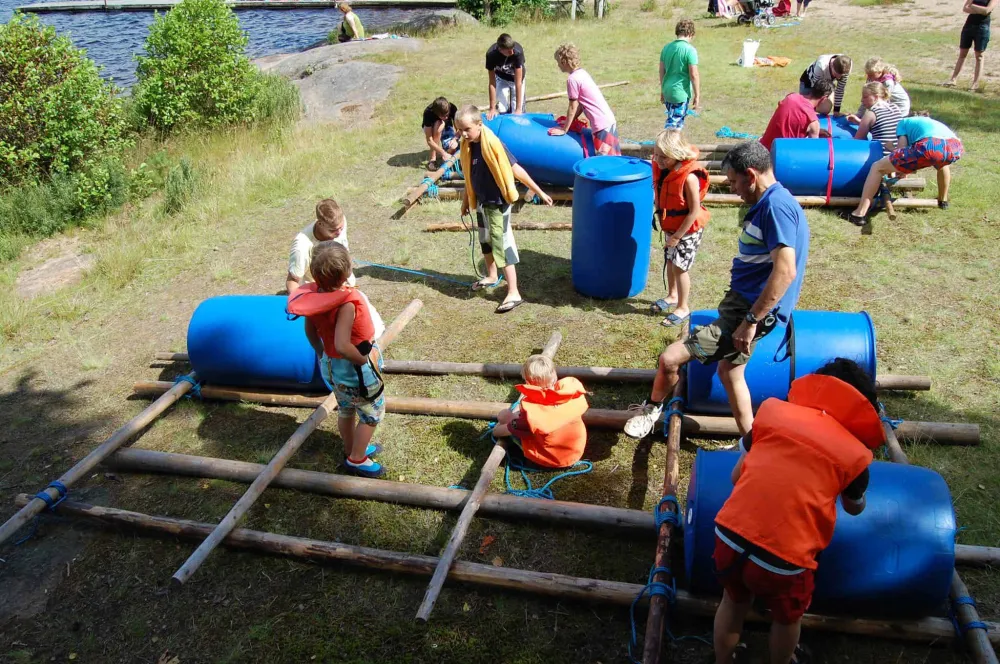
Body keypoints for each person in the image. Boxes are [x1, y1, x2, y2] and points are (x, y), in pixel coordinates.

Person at [624, 141, 809, 439]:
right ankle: (751, 441)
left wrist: (750, 322)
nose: (734, 189)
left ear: (751, 175)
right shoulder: (778, 200)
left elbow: (786, 271)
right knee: (729, 372)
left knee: (670, 359)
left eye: (735, 181)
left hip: (746, 313)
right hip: (746, 306)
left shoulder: (775, 208)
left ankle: (651, 409)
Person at [711, 358, 885, 664]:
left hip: (728, 534)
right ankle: (783, 659)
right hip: (785, 557)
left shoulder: (772, 413)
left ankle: (723, 658)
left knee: (733, 601)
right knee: (787, 618)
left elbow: (736, 477)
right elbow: (854, 508)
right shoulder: (856, 454)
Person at [287, 242, 387, 479]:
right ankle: (357, 459)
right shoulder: (345, 304)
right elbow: (343, 345)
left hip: (331, 366)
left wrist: (322, 353)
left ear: (314, 273)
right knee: (372, 413)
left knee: (345, 408)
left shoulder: (314, 299)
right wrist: (362, 360)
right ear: (347, 272)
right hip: (353, 368)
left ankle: (351, 447)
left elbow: (311, 332)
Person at [455, 105, 553, 314]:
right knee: (485, 240)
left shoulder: (493, 144)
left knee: (502, 245)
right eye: (460, 130)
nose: (463, 134)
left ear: (479, 125)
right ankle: (491, 275)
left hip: (497, 204)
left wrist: (539, 190)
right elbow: (469, 177)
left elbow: (516, 169)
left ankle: (514, 291)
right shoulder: (469, 145)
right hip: (482, 202)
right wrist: (466, 201)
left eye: (466, 129)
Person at [843, 113, 962, 225]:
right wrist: (905, 169)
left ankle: (859, 214)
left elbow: (901, 150)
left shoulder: (903, 123)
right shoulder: (933, 123)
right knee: (942, 164)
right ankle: (943, 200)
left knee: (877, 167)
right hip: (955, 147)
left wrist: (891, 148)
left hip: (931, 145)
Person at [649, 130, 711, 328]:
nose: (657, 159)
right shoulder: (664, 169)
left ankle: (683, 307)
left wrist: (677, 236)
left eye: (662, 156)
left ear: (676, 154)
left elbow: (693, 212)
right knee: (669, 260)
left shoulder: (689, 178)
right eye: (656, 154)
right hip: (671, 227)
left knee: (680, 267)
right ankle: (672, 296)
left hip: (686, 230)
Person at [491, 354, 590, 468]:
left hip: (551, 459)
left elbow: (506, 429)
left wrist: (497, 428)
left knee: (504, 416)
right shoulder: (569, 393)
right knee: (510, 417)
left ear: (527, 382)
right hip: (574, 452)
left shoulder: (533, 413)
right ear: (555, 376)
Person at [547, 43, 621, 156]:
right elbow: (581, 105)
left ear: (563, 62)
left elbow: (573, 106)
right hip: (608, 121)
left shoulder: (572, 79)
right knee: (614, 157)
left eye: (558, 62)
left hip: (601, 125)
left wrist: (564, 130)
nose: (558, 66)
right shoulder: (582, 73)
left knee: (607, 162)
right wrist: (569, 121)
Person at [286, 198, 355, 294]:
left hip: (346, 285)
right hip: (319, 291)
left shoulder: (339, 222)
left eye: (341, 228)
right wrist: (301, 304)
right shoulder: (302, 246)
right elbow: (292, 281)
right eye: (333, 230)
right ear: (320, 224)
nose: (339, 233)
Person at [759, 79, 835, 150]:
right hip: (778, 158)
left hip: (762, 148)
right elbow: (814, 151)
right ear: (824, 98)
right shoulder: (813, 122)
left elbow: (790, 122)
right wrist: (815, 131)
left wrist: (816, 131)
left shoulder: (790, 97)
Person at [659, 19, 701, 131]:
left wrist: (663, 90)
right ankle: (668, 146)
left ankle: (672, 144)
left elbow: (661, 71)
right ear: (691, 34)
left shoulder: (666, 48)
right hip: (680, 93)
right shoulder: (690, 50)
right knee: (674, 125)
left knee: (674, 119)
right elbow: (694, 75)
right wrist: (697, 95)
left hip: (668, 90)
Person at [946, 0, 997, 90]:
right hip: (969, 25)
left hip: (982, 27)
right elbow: (965, 8)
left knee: (979, 56)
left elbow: (987, 11)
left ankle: (975, 84)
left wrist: (973, 6)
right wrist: (980, 10)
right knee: (962, 53)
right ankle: (953, 79)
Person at [846, 82, 902, 153]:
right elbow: (885, 126)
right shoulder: (895, 108)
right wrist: (860, 122)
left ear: (875, 97)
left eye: (865, 97)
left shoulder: (871, 114)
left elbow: (858, 141)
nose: (862, 100)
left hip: (883, 155)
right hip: (899, 154)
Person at [486, 33, 527, 120]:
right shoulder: (491, 55)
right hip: (501, 78)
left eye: (512, 49)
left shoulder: (517, 52)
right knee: (501, 108)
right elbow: (492, 82)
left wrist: (518, 109)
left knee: (517, 111)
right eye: (508, 51)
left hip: (516, 79)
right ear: (500, 50)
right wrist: (492, 108)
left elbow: (518, 82)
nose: (512, 52)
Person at [422, 97, 459, 171]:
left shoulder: (452, 108)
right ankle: (432, 159)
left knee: (451, 148)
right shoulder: (428, 113)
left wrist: (455, 139)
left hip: (447, 126)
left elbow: (459, 128)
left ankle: (446, 149)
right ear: (436, 113)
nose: (446, 117)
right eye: (443, 116)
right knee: (439, 123)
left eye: (447, 115)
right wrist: (443, 153)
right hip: (431, 127)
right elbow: (429, 140)